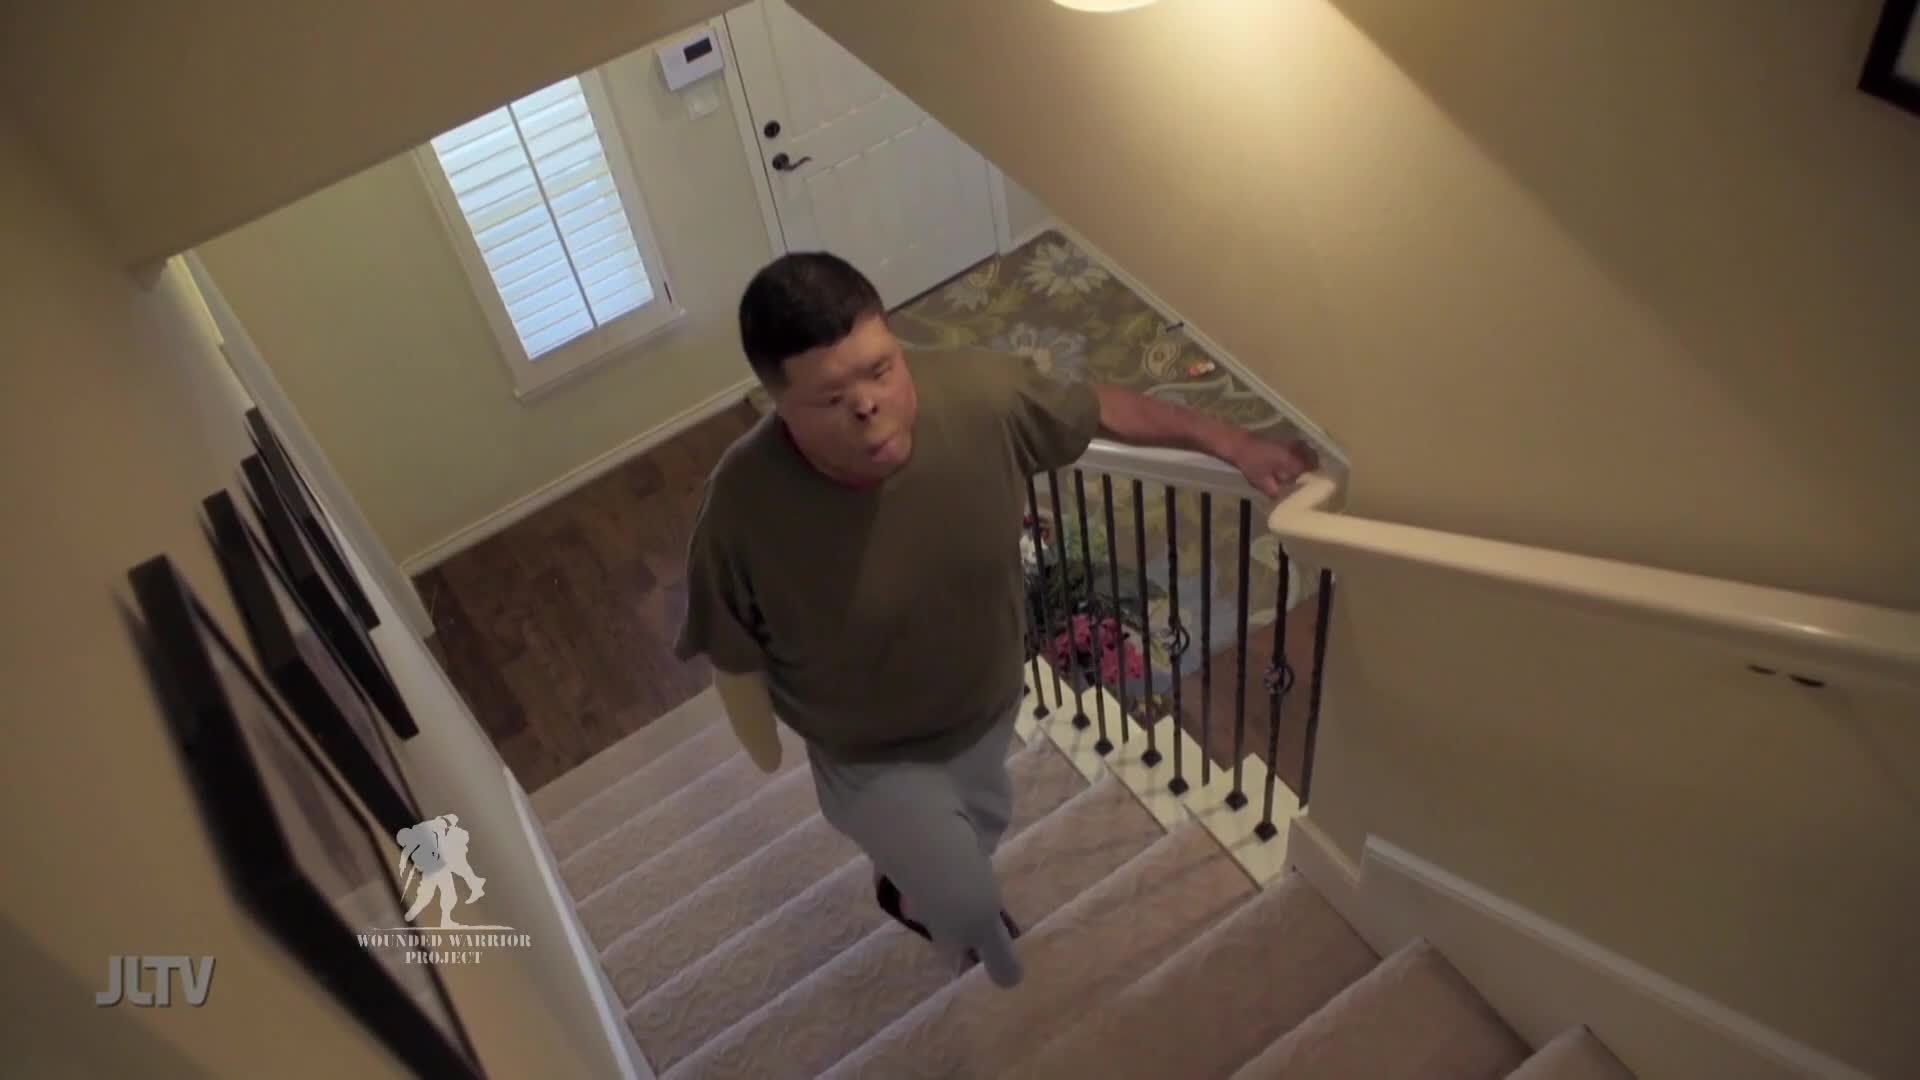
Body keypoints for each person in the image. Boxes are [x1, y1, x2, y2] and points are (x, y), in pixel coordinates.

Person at [673, 252, 1314, 988]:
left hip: (988, 700)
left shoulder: (978, 396)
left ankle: (917, 883)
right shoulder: (740, 511)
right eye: (828, 398)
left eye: (881, 369)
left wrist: (1229, 441)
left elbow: (1095, 403)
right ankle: (975, 940)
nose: (868, 405)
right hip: (867, 750)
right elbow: (730, 648)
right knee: (965, 892)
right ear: (777, 403)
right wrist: (758, 741)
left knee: (974, 831)